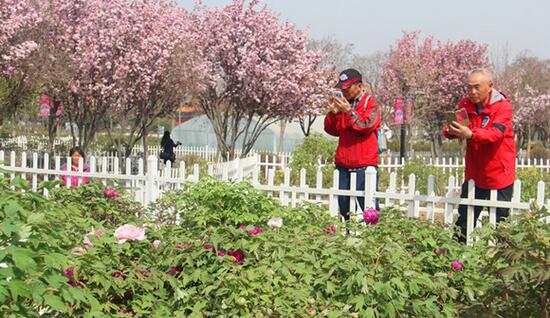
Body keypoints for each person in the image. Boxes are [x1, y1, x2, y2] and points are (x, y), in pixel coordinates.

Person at [444, 68, 516, 243]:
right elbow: (451, 130)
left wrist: (470, 134)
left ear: (490, 86)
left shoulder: (503, 107)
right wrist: (452, 130)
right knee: (464, 221)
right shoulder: (466, 105)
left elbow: (494, 135)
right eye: (469, 88)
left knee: (501, 224)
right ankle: (455, 261)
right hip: (474, 175)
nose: (472, 92)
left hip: (500, 174)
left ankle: (503, 264)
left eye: (477, 87)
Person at [324, 68, 381, 221]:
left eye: (347, 88)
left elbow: (366, 126)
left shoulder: (371, 103)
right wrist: (333, 113)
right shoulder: (344, 104)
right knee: (344, 207)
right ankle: (347, 238)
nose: (344, 92)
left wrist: (349, 112)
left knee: (369, 208)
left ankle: (377, 239)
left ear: (359, 86)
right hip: (343, 163)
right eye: (342, 89)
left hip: (364, 164)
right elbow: (333, 130)